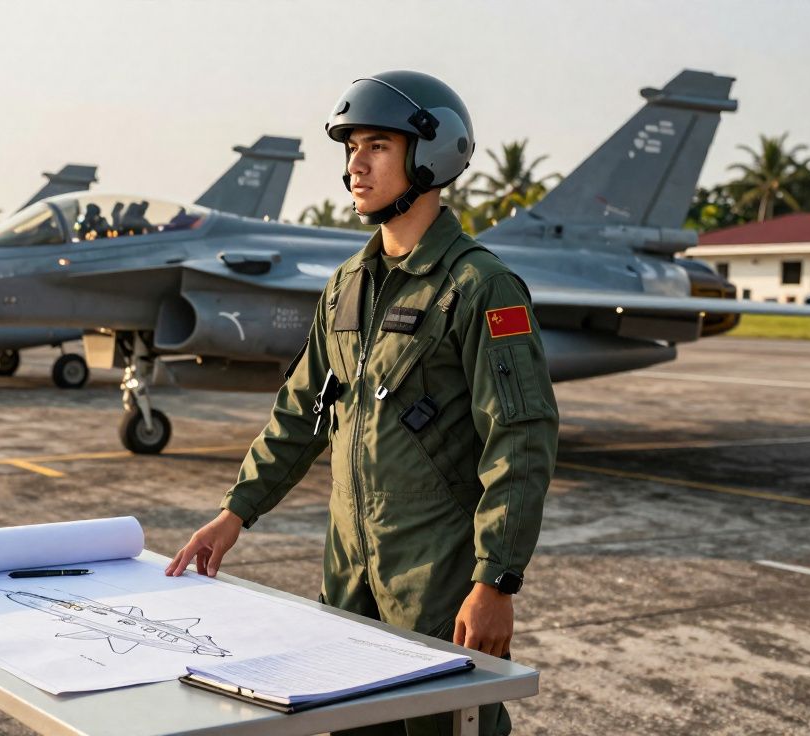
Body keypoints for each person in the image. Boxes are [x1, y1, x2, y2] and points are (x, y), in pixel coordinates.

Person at [165, 71, 559, 736]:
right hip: (348, 581)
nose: (355, 164)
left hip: (437, 587)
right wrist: (235, 513)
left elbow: (520, 438)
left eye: (377, 145)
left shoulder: (480, 286)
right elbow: (299, 414)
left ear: (429, 155)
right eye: (350, 148)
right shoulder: (347, 285)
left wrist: (496, 581)